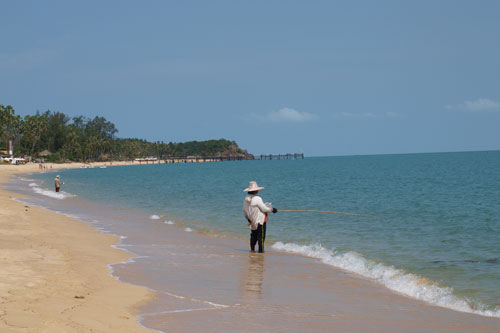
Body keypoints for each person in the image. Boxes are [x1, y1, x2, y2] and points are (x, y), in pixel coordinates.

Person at [242, 181, 278, 253]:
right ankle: (261, 253)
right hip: (260, 221)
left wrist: (249, 220)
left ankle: (252, 250)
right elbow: (264, 209)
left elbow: (244, 211)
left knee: (253, 236)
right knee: (261, 238)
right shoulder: (257, 198)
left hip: (252, 221)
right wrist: (272, 209)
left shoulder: (246, 199)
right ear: (255, 191)